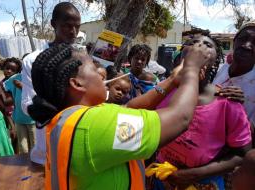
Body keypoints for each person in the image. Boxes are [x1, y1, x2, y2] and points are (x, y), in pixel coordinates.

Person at [28, 42, 211, 189]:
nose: (103, 75)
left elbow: (130, 108)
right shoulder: (92, 124)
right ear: (77, 83)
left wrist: (171, 81)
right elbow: (180, 117)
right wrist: (192, 70)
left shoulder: (69, 120)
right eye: (93, 69)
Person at [155, 35, 252, 189]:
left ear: (214, 63)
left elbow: (241, 154)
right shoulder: (163, 92)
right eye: (192, 43)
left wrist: (193, 174)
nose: (198, 46)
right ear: (181, 57)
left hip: (203, 183)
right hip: (161, 175)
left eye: (207, 44)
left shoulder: (227, 101)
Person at [21, 2, 81, 164]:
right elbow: (28, 104)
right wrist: (61, 109)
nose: (73, 32)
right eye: (68, 26)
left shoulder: (82, 60)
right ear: (54, 24)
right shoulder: (33, 61)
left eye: (77, 26)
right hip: (46, 154)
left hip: (78, 151)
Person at [213, 21, 255, 134]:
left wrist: (239, 109)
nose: (247, 45)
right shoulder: (219, 68)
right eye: (243, 38)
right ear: (235, 41)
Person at [3, 72, 36, 154]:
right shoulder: (16, 78)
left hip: (35, 119)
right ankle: (25, 165)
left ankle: (35, 165)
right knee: (23, 148)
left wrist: (23, 87)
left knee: (35, 146)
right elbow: (4, 86)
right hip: (19, 118)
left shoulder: (38, 76)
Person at [0, 57, 22, 151]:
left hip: (21, 115)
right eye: (7, 68)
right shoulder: (0, 85)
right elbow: (5, 102)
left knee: (24, 141)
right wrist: (18, 93)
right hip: (10, 116)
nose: (9, 71)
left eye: (13, 70)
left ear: (17, 72)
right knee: (14, 139)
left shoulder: (19, 82)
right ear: (3, 68)